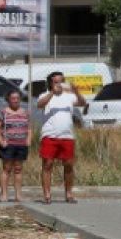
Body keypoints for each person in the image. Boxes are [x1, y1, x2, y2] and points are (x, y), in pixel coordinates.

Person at [36, 71, 86, 204]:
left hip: (67, 135)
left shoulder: (69, 96)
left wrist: (76, 92)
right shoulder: (45, 95)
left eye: (61, 81)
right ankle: (47, 194)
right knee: (48, 164)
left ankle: (68, 193)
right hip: (49, 135)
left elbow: (82, 103)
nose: (59, 84)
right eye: (56, 82)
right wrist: (52, 92)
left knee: (69, 164)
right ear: (51, 83)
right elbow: (40, 104)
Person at [0, 89, 31, 203]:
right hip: (8, 145)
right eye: (13, 98)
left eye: (17, 98)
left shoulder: (25, 112)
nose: (15, 101)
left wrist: (28, 139)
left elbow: (29, 128)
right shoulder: (3, 112)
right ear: (8, 100)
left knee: (18, 169)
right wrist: (1, 141)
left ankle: (18, 195)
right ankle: (4, 194)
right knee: (7, 169)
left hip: (21, 144)